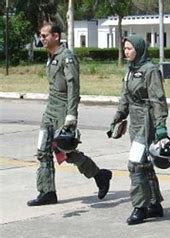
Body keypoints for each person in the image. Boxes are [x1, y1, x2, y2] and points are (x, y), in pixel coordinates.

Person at [28, 23, 112, 206]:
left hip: (63, 111)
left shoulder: (67, 57)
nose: (41, 39)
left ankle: (99, 175)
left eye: (45, 36)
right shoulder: (51, 57)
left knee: (66, 152)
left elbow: (73, 86)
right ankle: (47, 191)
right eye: (41, 36)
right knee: (43, 151)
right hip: (50, 110)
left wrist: (71, 115)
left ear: (56, 36)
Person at [109, 35, 170, 225]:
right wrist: (117, 119)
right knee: (144, 164)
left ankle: (140, 207)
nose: (126, 52)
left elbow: (158, 99)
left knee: (135, 164)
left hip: (147, 119)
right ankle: (154, 204)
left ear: (139, 49)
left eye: (129, 49)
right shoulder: (130, 70)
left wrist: (160, 126)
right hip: (134, 121)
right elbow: (124, 98)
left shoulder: (150, 70)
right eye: (125, 48)